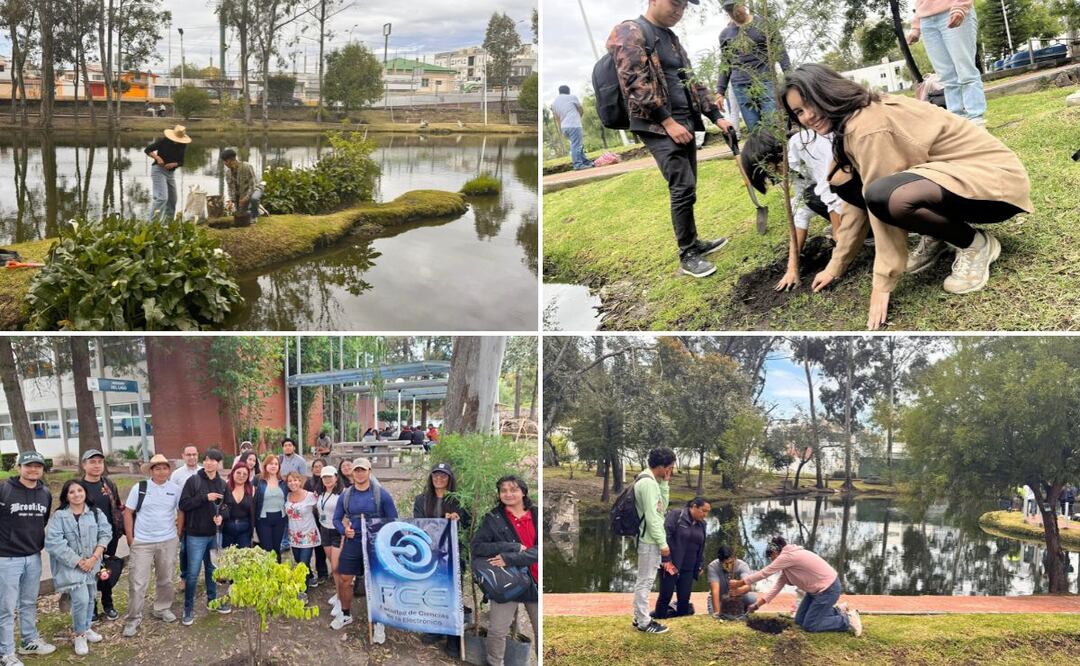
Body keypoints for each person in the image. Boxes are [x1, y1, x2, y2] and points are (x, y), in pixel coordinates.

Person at [781, 64, 1032, 330]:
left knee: (887, 197)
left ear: (827, 92)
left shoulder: (867, 127)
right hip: (956, 182)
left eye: (810, 104)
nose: (807, 116)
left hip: (995, 184)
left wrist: (882, 282)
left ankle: (975, 244)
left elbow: (879, 202)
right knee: (844, 182)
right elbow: (856, 203)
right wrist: (837, 264)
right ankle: (939, 234)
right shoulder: (850, 124)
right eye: (798, 112)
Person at [606, 0, 734, 278]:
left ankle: (694, 241)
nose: (678, 10)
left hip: (684, 120)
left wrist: (716, 116)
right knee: (682, 185)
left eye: (684, 6)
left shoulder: (672, 38)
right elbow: (633, 82)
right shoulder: (630, 31)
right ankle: (687, 253)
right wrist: (666, 121)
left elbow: (691, 80)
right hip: (657, 124)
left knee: (689, 185)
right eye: (674, 3)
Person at [741, 129, 850, 291]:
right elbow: (801, 211)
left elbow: (833, 195)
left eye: (770, 170)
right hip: (845, 195)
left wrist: (837, 255)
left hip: (863, 186)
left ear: (774, 156)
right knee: (808, 197)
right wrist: (792, 267)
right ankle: (851, 230)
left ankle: (864, 233)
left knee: (820, 195)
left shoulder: (807, 145)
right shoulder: (788, 165)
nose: (774, 175)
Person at [471, 476, 538, 666]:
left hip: (536, 579)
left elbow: (541, 549)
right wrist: (512, 547)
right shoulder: (493, 518)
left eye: (513, 489)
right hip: (507, 581)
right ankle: (494, 663)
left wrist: (511, 558)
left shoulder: (537, 514)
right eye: (503, 490)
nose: (508, 494)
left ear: (523, 492)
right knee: (497, 630)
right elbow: (477, 547)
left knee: (541, 630)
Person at [740, 536, 862, 636]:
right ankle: (836, 610)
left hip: (828, 590)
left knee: (810, 625)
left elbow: (764, 573)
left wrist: (741, 582)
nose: (771, 559)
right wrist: (756, 605)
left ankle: (846, 620)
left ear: (778, 551)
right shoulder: (787, 568)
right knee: (799, 620)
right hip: (815, 592)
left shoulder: (788, 556)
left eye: (772, 555)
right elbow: (776, 588)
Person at [0, 451, 56, 665]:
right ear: (19, 467)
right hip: (6, 558)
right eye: (28, 466)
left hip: (33, 557)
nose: (33, 470)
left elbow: (42, 521)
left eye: (38, 466)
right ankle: (6, 653)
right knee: (5, 606)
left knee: (28, 602)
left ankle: (29, 640)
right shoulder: (4, 490)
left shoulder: (45, 493)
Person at [43, 480, 111, 657]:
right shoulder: (59, 516)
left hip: (92, 564)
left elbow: (105, 533)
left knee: (90, 598)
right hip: (71, 566)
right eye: (71, 492)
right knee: (80, 600)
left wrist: (94, 557)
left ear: (85, 493)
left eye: (80, 490)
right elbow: (53, 543)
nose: (76, 494)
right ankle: (79, 634)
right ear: (66, 496)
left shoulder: (95, 513)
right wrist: (79, 561)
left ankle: (87, 628)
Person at [331, 458, 398, 636]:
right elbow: (336, 519)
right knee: (345, 579)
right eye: (356, 470)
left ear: (369, 471)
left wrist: (384, 538)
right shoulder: (346, 496)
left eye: (363, 470)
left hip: (375, 544)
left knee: (376, 582)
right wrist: (344, 530)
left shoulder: (381, 494)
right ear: (352, 473)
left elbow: (393, 520)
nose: (360, 474)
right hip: (353, 543)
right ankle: (345, 614)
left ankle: (378, 620)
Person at [412, 462, 470, 656]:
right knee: (432, 593)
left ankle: (453, 637)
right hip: (431, 555)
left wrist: (457, 519)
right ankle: (436, 629)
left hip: (453, 555)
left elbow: (469, 525)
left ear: (450, 479)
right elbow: (418, 524)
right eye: (436, 475)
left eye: (443, 476)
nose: (439, 479)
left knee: (453, 596)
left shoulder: (459, 500)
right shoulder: (421, 500)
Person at [122, 454, 182, 637]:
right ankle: (133, 619)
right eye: (157, 468)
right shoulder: (139, 488)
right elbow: (128, 513)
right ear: (151, 471)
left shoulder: (175, 489)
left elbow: (181, 511)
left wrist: (178, 532)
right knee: (138, 582)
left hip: (168, 540)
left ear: (169, 470)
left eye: (164, 468)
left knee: (166, 579)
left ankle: (162, 608)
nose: (161, 471)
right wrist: (131, 539)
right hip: (143, 542)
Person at [716, 0, 792, 132]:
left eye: (735, 7)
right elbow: (725, 63)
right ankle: (763, 153)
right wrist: (720, 92)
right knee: (755, 129)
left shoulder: (764, 24)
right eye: (729, 10)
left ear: (743, 3)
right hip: (740, 85)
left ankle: (779, 151)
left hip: (766, 81)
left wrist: (791, 79)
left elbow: (781, 53)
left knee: (773, 123)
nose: (734, 12)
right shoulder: (725, 34)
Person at [907, 1, 985, 126]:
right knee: (946, 77)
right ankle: (957, 121)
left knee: (965, 71)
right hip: (926, 21)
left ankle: (976, 120)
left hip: (953, 9)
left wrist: (961, 4)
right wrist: (916, 25)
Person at [177, 448, 231, 626]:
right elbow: (183, 504)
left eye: (213, 460)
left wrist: (222, 516)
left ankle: (212, 601)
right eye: (206, 460)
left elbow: (227, 506)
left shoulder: (222, 484)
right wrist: (204, 498)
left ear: (218, 463)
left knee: (212, 571)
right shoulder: (193, 481)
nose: (209, 463)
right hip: (195, 535)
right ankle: (188, 608)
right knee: (192, 574)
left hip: (214, 535)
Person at [631, 447, 676, 634]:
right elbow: (652, 517)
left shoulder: (650, 480)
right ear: (662, 466)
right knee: (646, 581)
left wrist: (665, 483)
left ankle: (639, 616)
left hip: (649, 538)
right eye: (670, 467)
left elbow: (661, 508)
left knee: (645, 580)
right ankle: (643, 622)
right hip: (649, 540)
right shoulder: (648, 483)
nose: (671, 471)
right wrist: (663, 544)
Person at [76, 449, 124, 622]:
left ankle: (108, 604)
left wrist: (122, 529)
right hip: (87, 538)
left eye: (99, 462)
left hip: (109, 536)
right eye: (92, 462)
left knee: (106, 570)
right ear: (84, 465)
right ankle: (92, 607)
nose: (96, 466)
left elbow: (117, 507)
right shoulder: (78, 487)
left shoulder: (108, 484)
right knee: (89, 573)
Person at [653, 496, 710, 619]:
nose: (705, 514)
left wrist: (700, 563)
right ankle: (659, 618)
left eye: (707, 512)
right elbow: (664, 536)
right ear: (694, 506)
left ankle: (682, 622)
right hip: (671, 565)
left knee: (684, 597)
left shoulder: (702, 524)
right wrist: (665, 560)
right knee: (665, 595)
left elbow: (702, 545)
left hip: (688, 567)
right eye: (703, 511)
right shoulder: (677, 515)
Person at [144, 125, 191, 222]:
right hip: (158, 171)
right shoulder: (164, 141)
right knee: (162, 198)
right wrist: (157, 158)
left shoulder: (183, 145)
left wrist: (174, 164)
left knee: (172, 200)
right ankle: (152, 224)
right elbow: (147, 150)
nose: (178, 141)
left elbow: (181, 162)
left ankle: (168, 225)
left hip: (170, 174)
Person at [171, 444, 201, 591]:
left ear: (198, 455)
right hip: (184, 515)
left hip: (202, 516)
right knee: (184, 549)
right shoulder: (177, 475)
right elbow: (173, 497)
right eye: (188, 454)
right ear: (183, 456)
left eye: (194, 454)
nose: (191, 457)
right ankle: (184, 577)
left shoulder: (203, 471)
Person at [284, 472, 321, 589]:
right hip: (294, 534)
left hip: (308, 534)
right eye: (290, 481)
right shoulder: (287, 496)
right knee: (297, 560)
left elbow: (323, 503)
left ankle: (302, 591)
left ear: (300, 481)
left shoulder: (310, 496)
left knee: (302, 564)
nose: (292, 483)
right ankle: (310, 576)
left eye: (295, 480)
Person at [316, 467, 344, 619]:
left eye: (330, 477)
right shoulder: (320, 493)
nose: (327, 480)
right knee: (333, 567)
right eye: (324, 477)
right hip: (324, 530)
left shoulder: (342, 493)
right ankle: (338, 592)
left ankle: (341, 600)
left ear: (336, 477)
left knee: (336, 567)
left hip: (337, 532)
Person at [551, 85, 594, 170]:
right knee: (576, 145)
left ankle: (585, 161)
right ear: (568, 91)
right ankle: (578, 165)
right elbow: (580, 109)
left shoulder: (554, 103)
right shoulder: (572, 97)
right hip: (574, 125)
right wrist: (579, 117)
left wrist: (561, 130)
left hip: (564, 127)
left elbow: (557, 118)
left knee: (577, 144)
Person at [254, 455, 288, 563]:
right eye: (270, 464)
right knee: (267, 549)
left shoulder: (283, 482)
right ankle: (267, 575)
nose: (273, 466)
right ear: (265, 465)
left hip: (280, 518)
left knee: (277, 548)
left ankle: (278, 573)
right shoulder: (258, 480)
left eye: (276, 464)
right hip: (263, 519)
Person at [706, 544, 756, 616]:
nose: (728, 566)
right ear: (720, 561)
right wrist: (717, 614)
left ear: (735, 558)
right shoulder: (713, 566)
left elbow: (748, 586)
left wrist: (738, 591)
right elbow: (715, 591)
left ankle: (747, 614)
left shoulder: (743, 566)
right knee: (716, 615)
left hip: (737, 598)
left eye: (731, 563)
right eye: (725, 563)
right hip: (720, 599)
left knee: (751, 598)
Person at [304, 459, 330, 584]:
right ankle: (307, 574)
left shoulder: (329, 482)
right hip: (310, 519)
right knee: (308, 547)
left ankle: (322, 573)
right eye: (315, 466)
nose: (318, 468)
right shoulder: (308, 483)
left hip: (324, 520)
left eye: (320, 466)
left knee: (321, 548)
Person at [221, 147, 263, 220]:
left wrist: (245, 199)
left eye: (225, 161)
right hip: (241, 194)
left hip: (255, 189)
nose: (224, 163)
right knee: (240, 213)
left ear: (232, 160)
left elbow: (252, 185)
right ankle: (259, 210)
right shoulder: (228, 173)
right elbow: (230, 188)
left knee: (254, 198)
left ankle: (255, 216)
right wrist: (231, 200)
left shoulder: (247, 167)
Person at [222, 464, 255, 549]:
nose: (241, 476)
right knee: (227, 557)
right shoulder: (225, 487)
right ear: (233, 473)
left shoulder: (251, 489)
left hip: (244, 529)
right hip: (227, 528)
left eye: (245, 474)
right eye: (238, 473)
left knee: (244, 557)